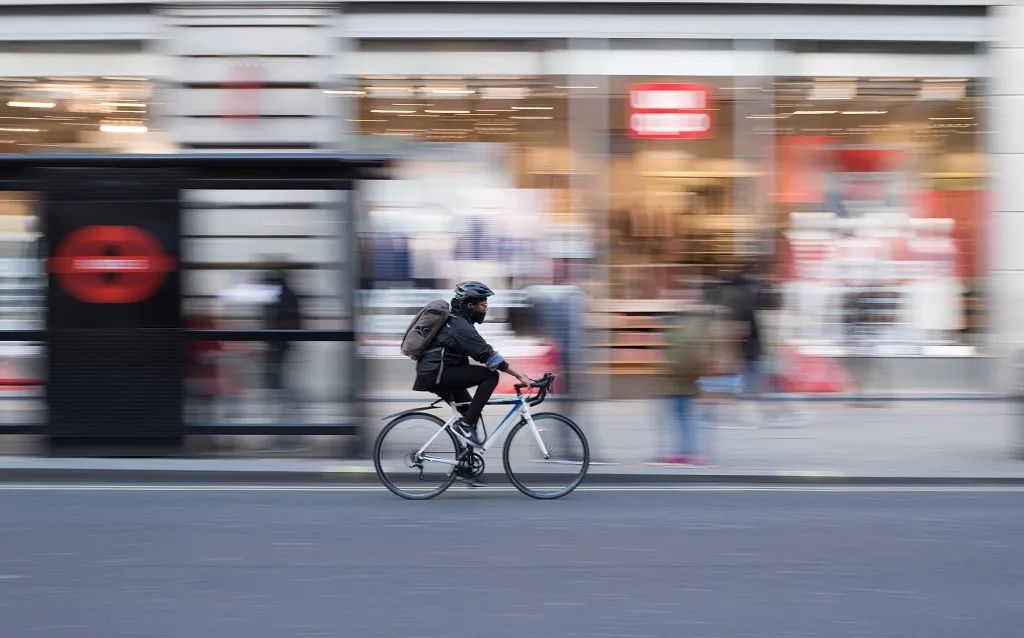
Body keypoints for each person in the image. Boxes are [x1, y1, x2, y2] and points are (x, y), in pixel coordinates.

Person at [412, 281, 533, 447]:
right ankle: (466, 426)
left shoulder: (458, 322)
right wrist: (520, 375)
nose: (486, 307)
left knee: (471, 412)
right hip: (437, 374)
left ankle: (465, 461)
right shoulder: (459, 327)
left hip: (438, 373)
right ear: (470, 305)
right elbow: (487, 355)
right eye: (483, 303)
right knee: (490, 376)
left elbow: (483, 352)